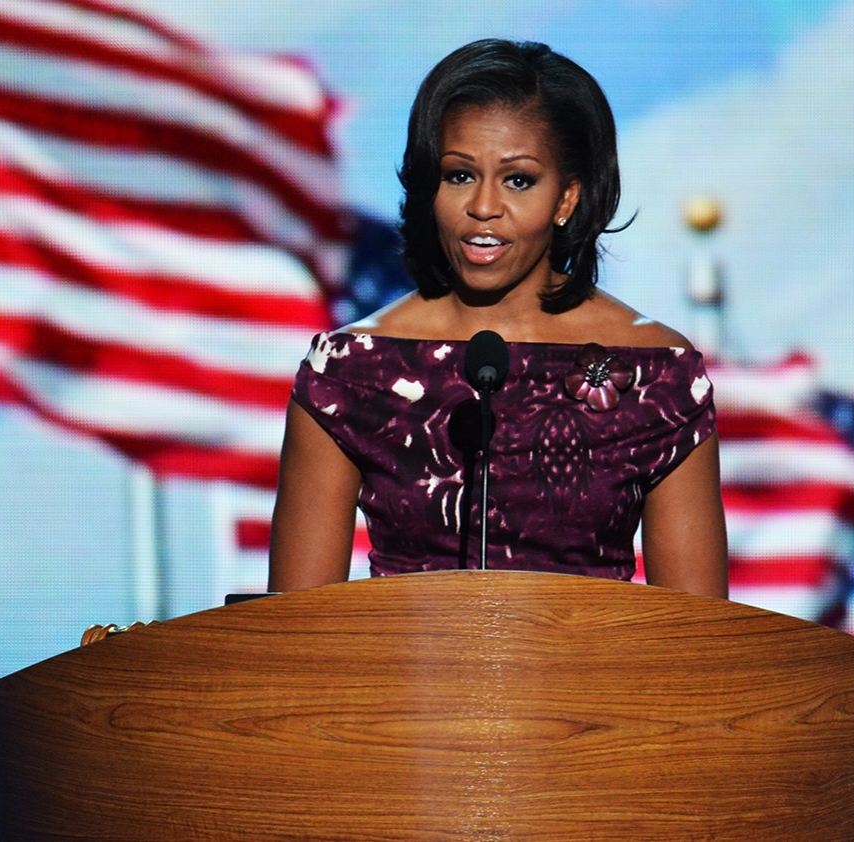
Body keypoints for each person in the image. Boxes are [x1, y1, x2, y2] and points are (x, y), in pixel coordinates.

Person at [269, 39, 727, 597]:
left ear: (567, 198)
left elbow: (699, 639)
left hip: (594, 683)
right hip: (400, 683)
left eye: (518, 180)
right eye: (459, 175)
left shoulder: (658, 375)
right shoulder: (348, 372)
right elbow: (293, 631)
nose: (483, 207)